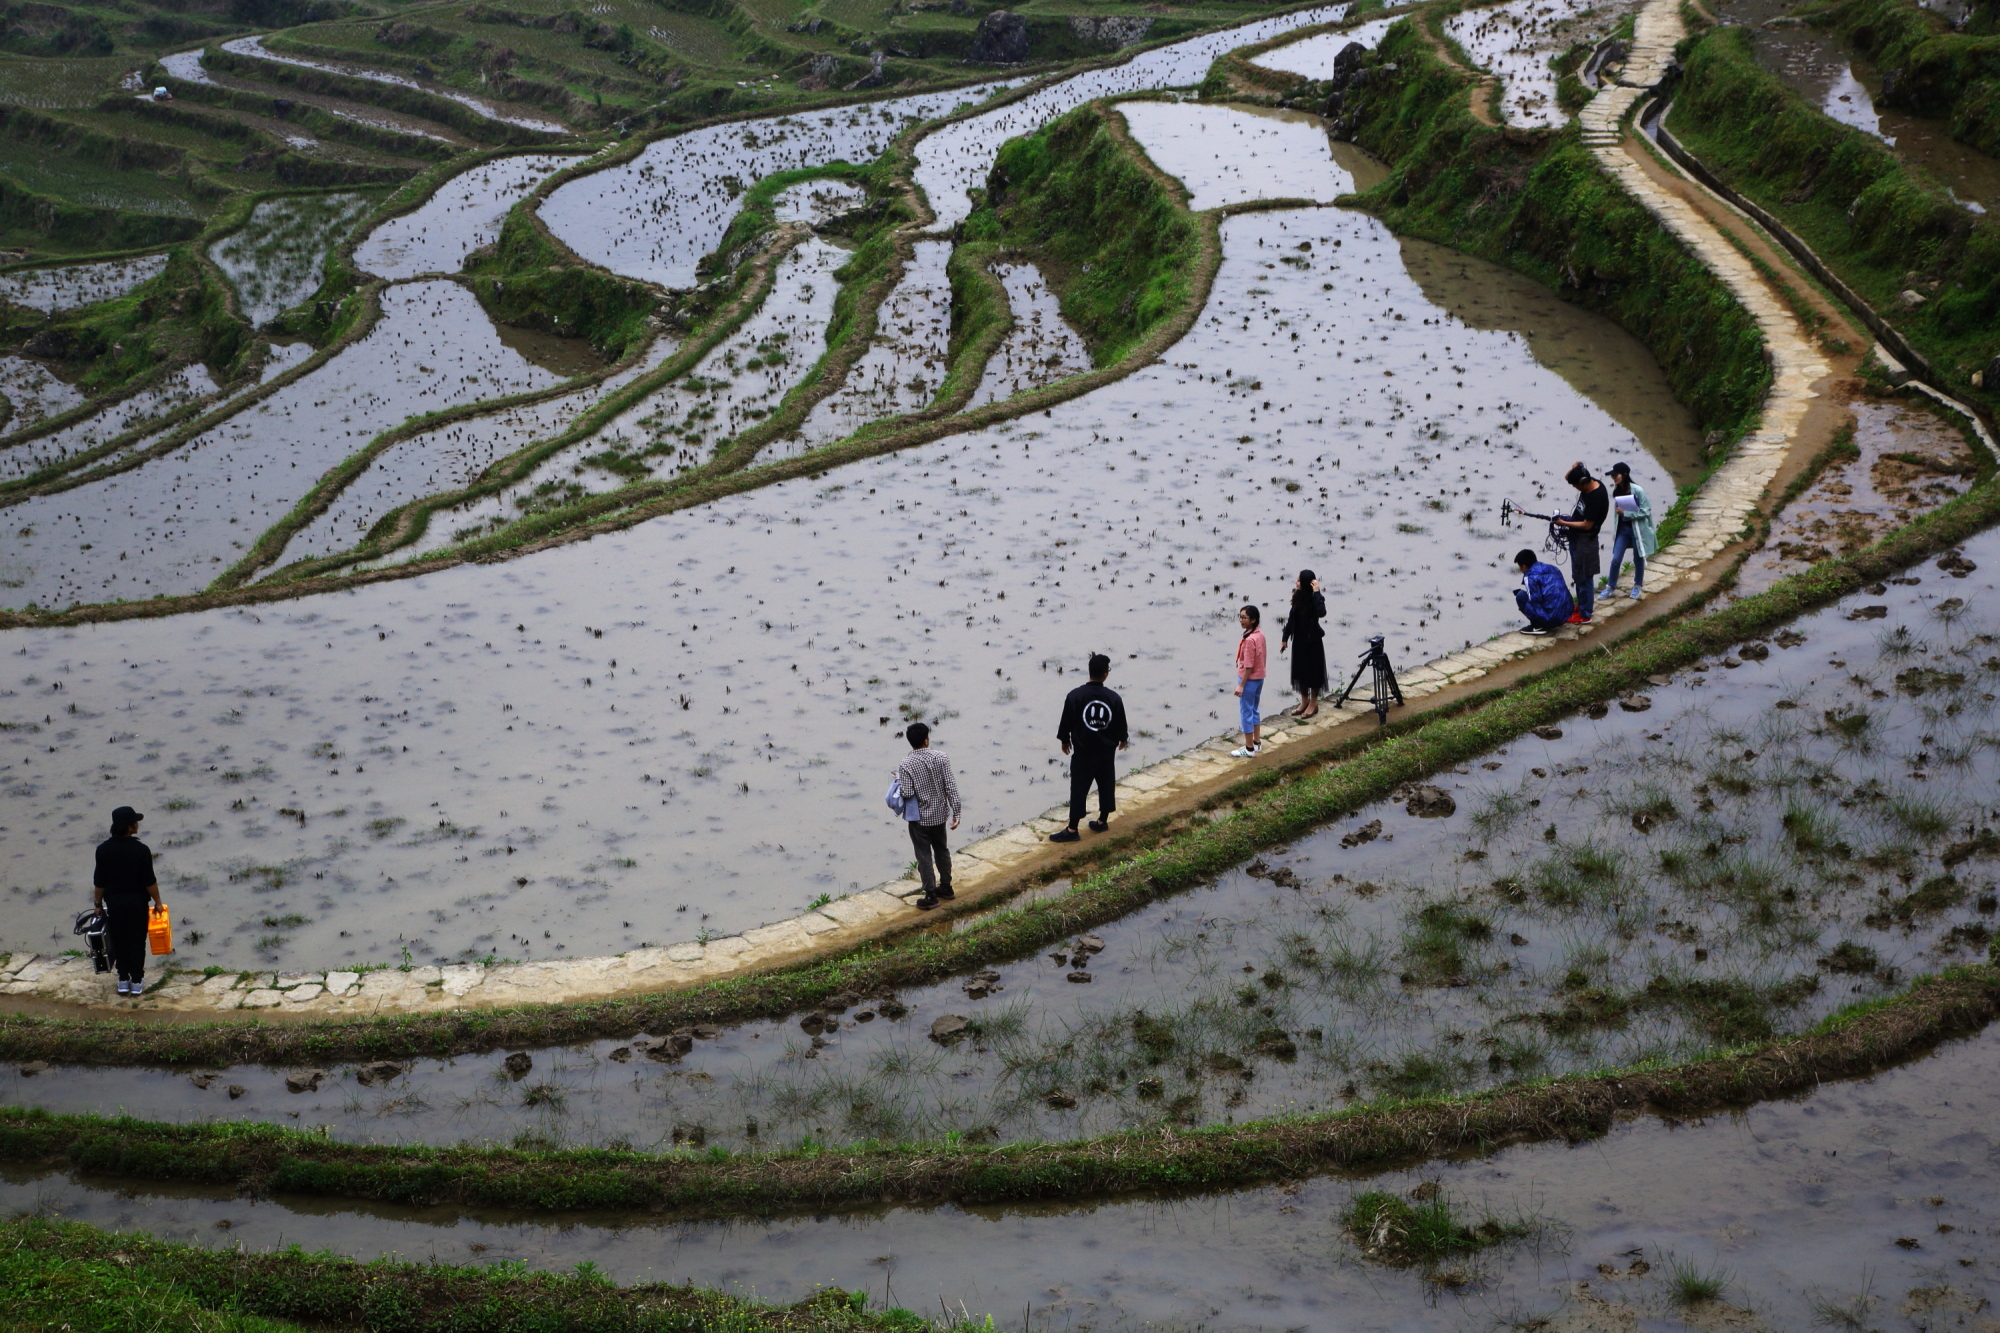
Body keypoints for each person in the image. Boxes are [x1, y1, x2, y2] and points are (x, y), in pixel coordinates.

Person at [1050, 652, 1129, 843]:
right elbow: (1120, 723)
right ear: (1105, 674)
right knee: (1106, 784)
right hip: (1106, 751)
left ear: (1090, 671)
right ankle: (1102, 821)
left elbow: (1066, 721)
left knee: (1078, 788)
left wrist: (1064, 740)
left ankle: (1072, 829)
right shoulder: (1114, 698)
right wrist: (1122, 739)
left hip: (1084, 751)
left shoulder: (1075, 696)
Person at [93, 805, 162, 997]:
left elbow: (99, 882)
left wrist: (97, 905)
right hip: (137, 903)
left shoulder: (103, 850)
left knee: (119, 940)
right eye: (135, 821)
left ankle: (123, 979)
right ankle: (137, 980)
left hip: (115, 904)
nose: (137, 824)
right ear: (130, 827)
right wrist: (157, 901)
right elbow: (149, 880)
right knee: (137, 941)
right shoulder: (141, 850)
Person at [894, 722, 961, 911]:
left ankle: (930, 895)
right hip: (940, 815)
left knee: (924, 855)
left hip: (920, 819)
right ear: (926, 739)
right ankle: (946, 888)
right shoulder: (941, 757)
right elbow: (951, 786)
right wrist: (956, 812)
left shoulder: (906, 764)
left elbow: (906, 793)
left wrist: (898, 780)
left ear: (910, 742)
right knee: (942, 850)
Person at [1554, 462, 1610, 621]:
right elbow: (1570, 475)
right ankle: (1582, 605)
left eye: (1576, 485)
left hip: (1585, 541)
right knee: (1578, 574)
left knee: (1584, 577)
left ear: (1584, 482)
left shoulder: (1596, 497)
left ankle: (1585, 614)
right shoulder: (1591, 484)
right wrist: (1574, 467)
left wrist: (1563, 523)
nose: (1575, 488)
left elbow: (1587, 525)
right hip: (1577, 538)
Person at [1602, 460, 1656, 602]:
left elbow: (1646, 511)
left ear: (1624, 474)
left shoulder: (1637, 490)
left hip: (1637, 530)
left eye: (1616, 475)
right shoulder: (1618, 491)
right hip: (1623, 530)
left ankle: (1638, 585)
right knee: (1615, 560)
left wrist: (1626, 513)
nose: (1614, 478)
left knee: (1638, 560)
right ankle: (1610, 587)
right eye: (1612, 476)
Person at [1279, 570, 1327, 719]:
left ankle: (1313, 703)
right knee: (1300, 672)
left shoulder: (1315, 598)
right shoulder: (1298, 597)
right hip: (1299, 640)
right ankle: (1304, 701)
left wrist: (1317, 592)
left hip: (1313, 641)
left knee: (1313, 673)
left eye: (1299, 580)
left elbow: (1321, 612)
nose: (1296, 582)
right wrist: (1285, 638)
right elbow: (1291, 619)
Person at [1514, 548, 1575, 635]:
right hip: (1565, 616)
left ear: (1524, 566)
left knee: (1520, 596)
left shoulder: (1530, 576)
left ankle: (1538, 626)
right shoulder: (1552, 568)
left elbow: (1534, 600)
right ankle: (1552, 622)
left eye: (1520, 566)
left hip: (1551, 619)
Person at [1232, 604, 1266, 758]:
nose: (1241, 620)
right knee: (1254, 710)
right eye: (1240, 616)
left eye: (1244, 617)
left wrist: (1241, 685)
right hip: (1259, 677)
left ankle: (1249, 748)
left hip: (1249, 679)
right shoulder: (1260, 635)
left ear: (1253, 620)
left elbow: (1248, 665)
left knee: (1246, 712)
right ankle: (1257, 743)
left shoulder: (1250, 640)